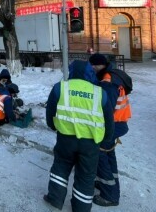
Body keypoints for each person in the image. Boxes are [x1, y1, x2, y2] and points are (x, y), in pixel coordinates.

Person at [44, 60, 114, 212]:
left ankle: (55, 199)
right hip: (90, 143)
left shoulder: (60, 87)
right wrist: (107, 139)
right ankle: (81, 207)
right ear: (90, 73)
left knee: (61, 167)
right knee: (86, 175)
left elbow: (50, 111)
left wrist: (52, 125)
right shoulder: (100, 93)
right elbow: (109, 119)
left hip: (65, 139)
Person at [89, 53, 131, 207]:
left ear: (102, 65)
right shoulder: (111, 75)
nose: (93, 68)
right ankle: (106, 183)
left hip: (112, 124)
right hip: (118, 123)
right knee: (108, 155)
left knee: (100, 156)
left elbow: (106, 108)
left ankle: (110, 195)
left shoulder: (108, 81)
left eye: (95, 65)